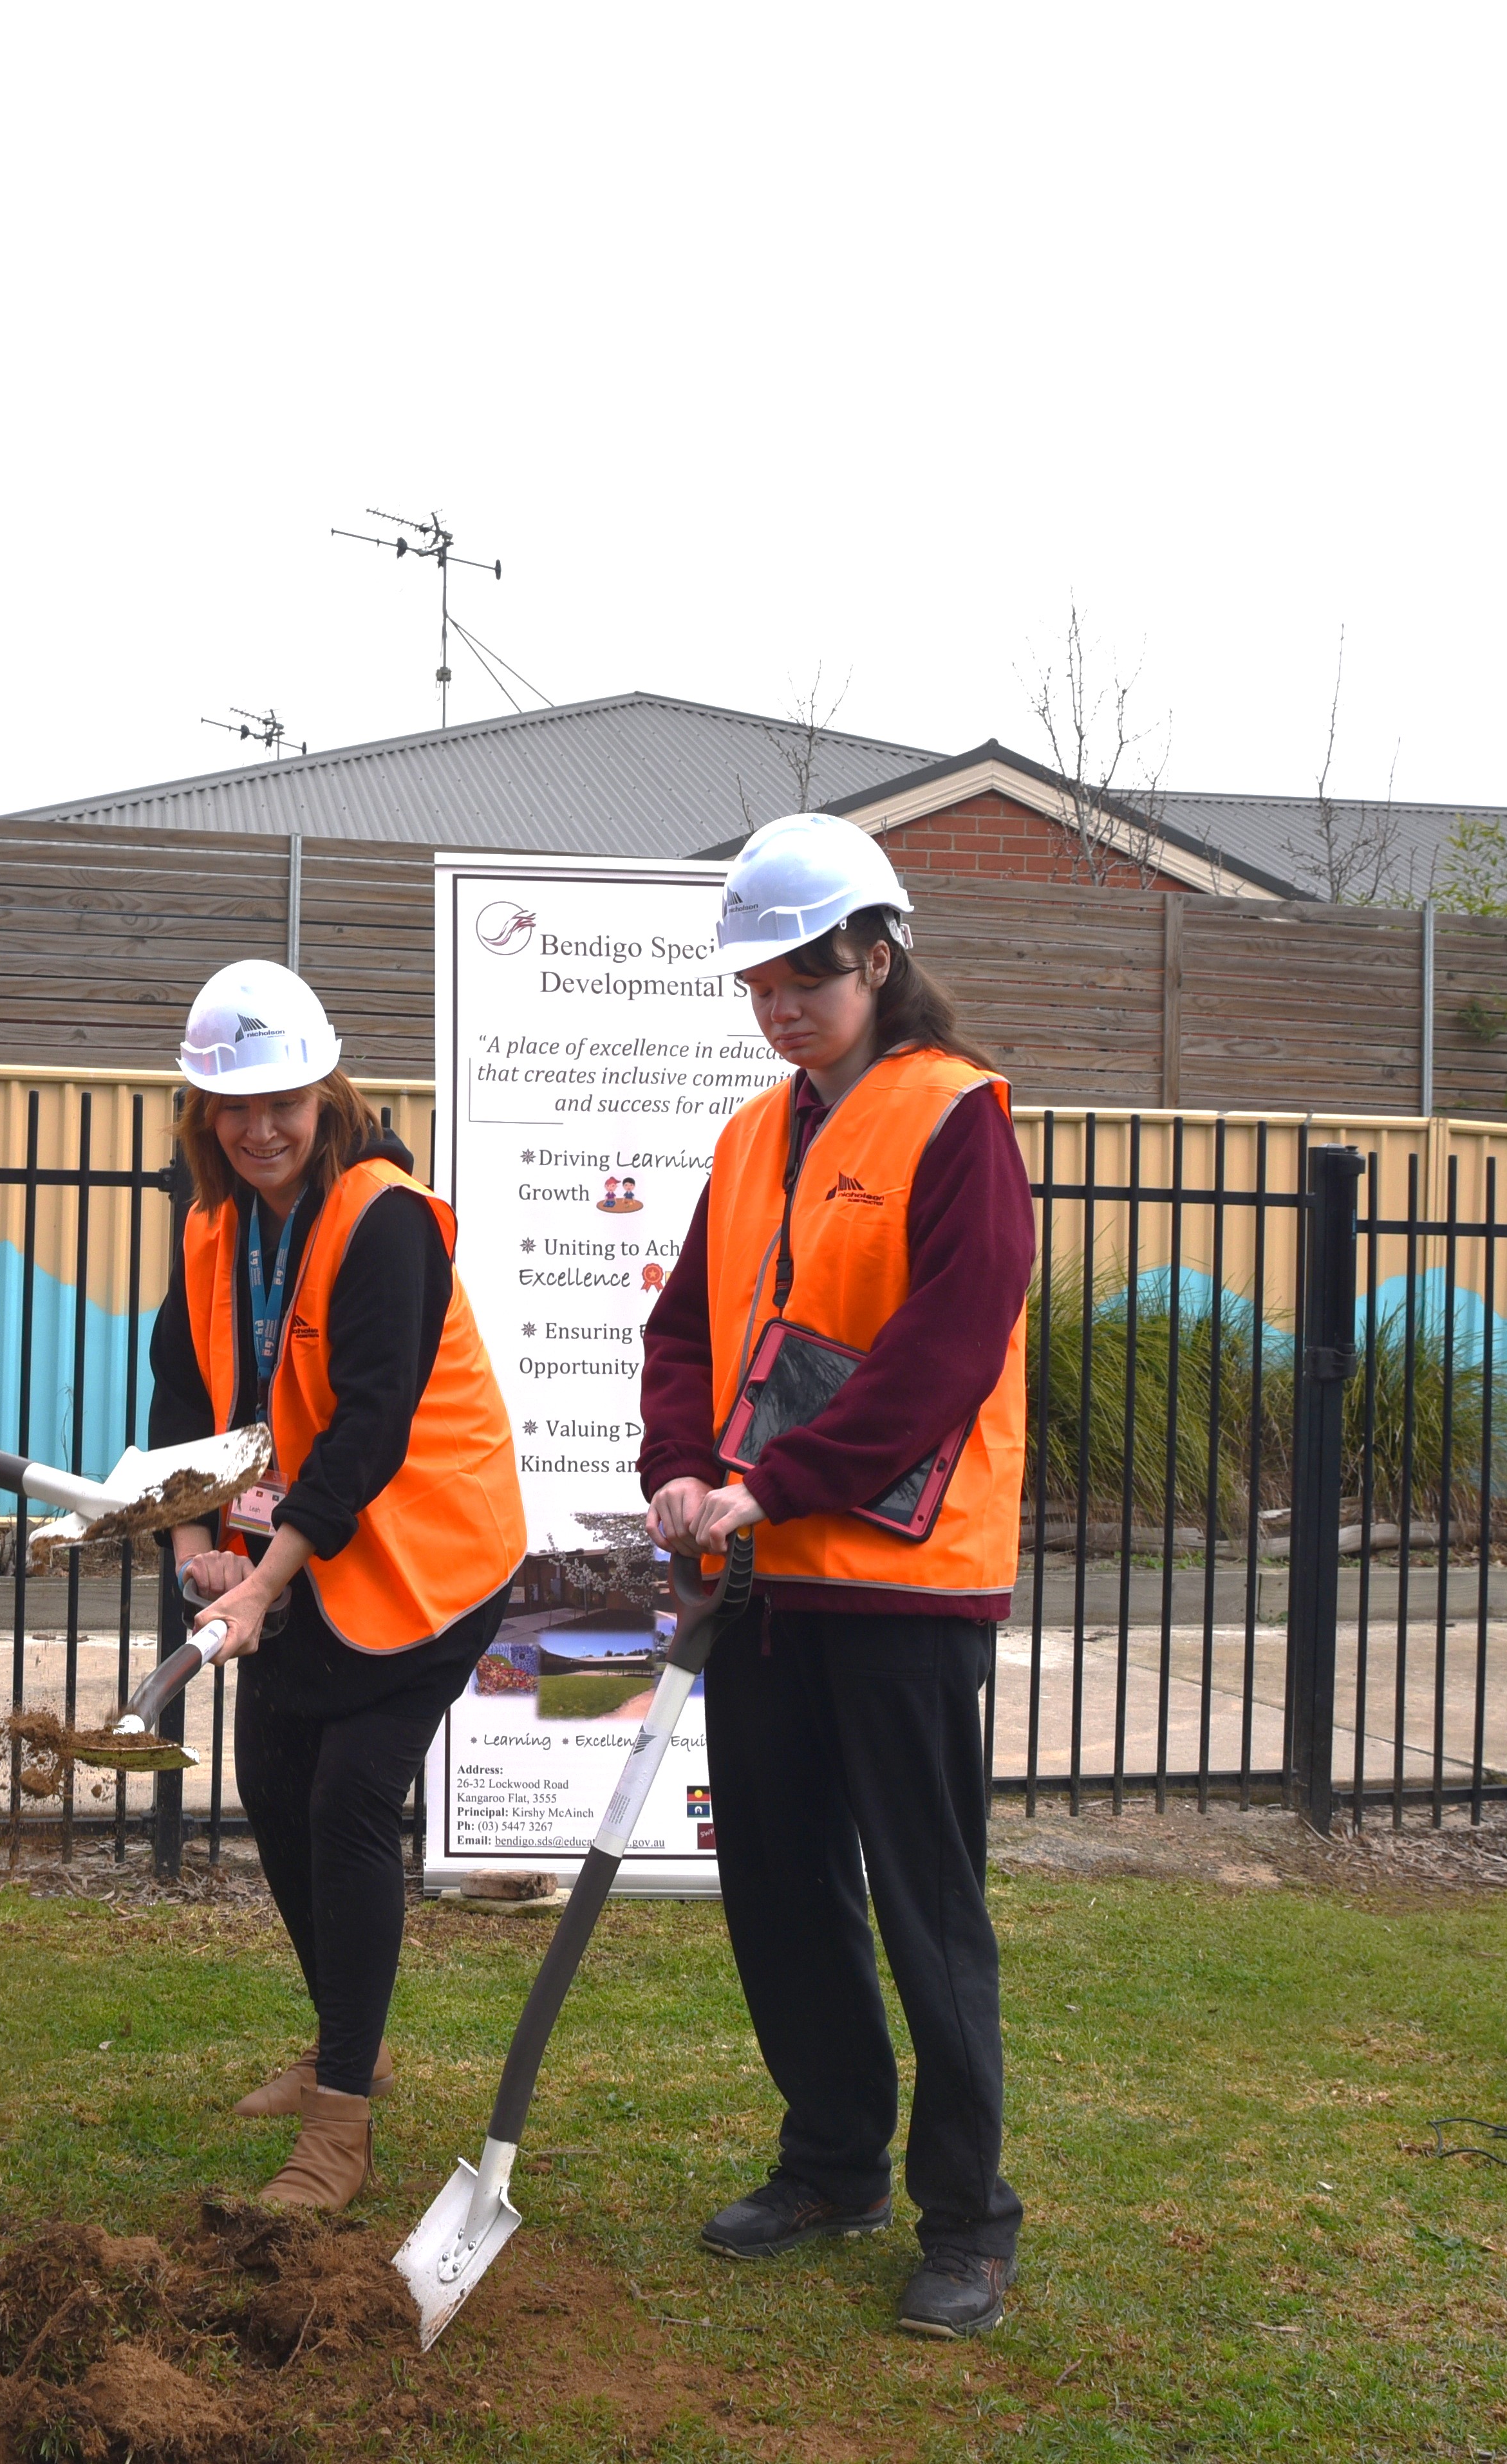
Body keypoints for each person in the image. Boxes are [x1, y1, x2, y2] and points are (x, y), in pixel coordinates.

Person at [635, 813, 1036, 2342]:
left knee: (924, 1905)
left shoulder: (955, 1121)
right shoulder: (752, 1135)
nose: (781, 1002)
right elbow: (686, 1327)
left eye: (805, 972)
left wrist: (774, 1483)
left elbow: (949, 1348)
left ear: (878, 954)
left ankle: (967, 2219)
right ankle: (830, 2165)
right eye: (758, 981)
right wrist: (678, 1466)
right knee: (780, 1888)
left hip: (905, 1585)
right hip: (759, 1579)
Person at [148, 959, 527, 2209]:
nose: (258, 1130)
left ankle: (340, 2125)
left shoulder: (386, 1217)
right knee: (272, 1786)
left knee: (352, 1800)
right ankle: (337, 2040)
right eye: (231, 1106)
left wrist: (259, 1585)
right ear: (202, 1113)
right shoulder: (212, 1227)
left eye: (283, 1103)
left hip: (430, 1551)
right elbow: (183, 1403)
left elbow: (367, 1425)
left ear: (327, 1093)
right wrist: (192, 1540)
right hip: (305, 1551)